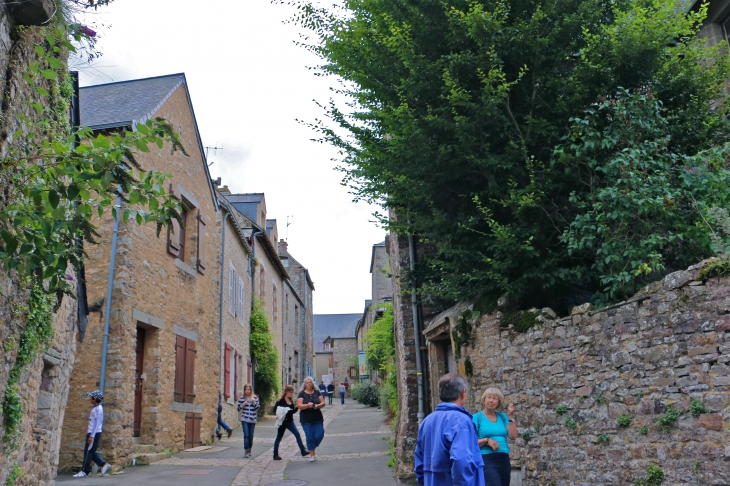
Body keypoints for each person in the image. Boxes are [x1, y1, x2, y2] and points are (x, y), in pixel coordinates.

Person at [414, 373, 484, 486]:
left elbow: (419, 460)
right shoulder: (461, 421)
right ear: (463, 393)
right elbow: (462, 459)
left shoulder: (427, 420)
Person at [473, 388, 517, 486]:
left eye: (495, 398)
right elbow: (470, 443)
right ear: (484, 400)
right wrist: (486, 440)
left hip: (504, 458)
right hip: (487, 459)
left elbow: (513, 436)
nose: (491, 401)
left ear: (499, 402)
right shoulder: (477, 417)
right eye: (489, 397)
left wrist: (510, 417)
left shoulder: (503, 417)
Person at [72, 390, 112, 478]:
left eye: (91, 397)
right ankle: (104, 464)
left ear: (95, 399)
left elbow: (97, 424)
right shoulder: (96, 409)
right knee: (90, 451)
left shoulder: (97, 410)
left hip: (94, 433)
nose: (90, 399)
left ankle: (84, 471)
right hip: (93, 432)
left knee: (88, 452)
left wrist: (91, 436)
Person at [272, 385, 309, 460]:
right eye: (290, 392)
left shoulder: (291, 401)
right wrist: (283, 410)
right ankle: (275, 454)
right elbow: (274, 409)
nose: (291, 394)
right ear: (286, 392)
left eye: (292, 393)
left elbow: (291, 412)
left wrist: (296, 409)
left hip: (289, 421)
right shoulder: (280, 401)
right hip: (282, 421)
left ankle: (302, 450)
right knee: (279, 437)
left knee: (297, 434)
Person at [297, 376, 326, 462]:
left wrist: (317, 406)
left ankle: (312, 446)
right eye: (307, 383)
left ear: (312, 384)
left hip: (317, 418)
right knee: (309, 436)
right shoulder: (301, 393)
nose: (309, 384)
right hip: (306, 420)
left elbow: (323, 402)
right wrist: (307, 406)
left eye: (310, 383)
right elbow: (299, 405)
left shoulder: (317, 392)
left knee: (320, 434)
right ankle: (312, 455)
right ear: (305, 384)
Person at [237, 384, 260, 458]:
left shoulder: (255, 398)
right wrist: (243, 404)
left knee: (251, 436)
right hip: (245, 419)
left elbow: (257, 408)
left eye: (248, 389)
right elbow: (238, 408)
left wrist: (253, 402)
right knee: (246, 435)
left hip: (252, 419)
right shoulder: (242, 398)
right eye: (246, 389)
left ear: (251, 390)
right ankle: (246, 450)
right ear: (244, 390)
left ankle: (250, 448)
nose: (247, 391)